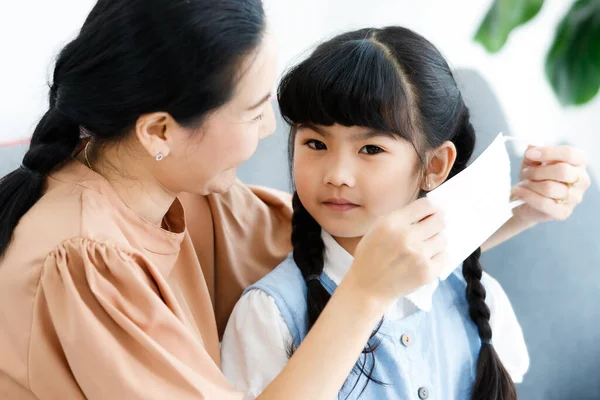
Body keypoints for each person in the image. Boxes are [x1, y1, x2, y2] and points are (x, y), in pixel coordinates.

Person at [0, 1, 589, 399]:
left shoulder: (198, 195)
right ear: (159, 132)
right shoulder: (85, 259)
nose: (264, 136)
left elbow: (355, 249)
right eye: (257, 113)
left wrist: (514, 208)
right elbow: (363, 277)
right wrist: (363, 298)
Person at [221, 26, 591, 400]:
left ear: (434, 166)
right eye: (315, 143)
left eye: (370, 150)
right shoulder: (270, 314)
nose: (336, 176)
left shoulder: (478, 299)